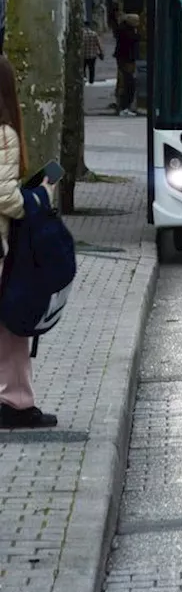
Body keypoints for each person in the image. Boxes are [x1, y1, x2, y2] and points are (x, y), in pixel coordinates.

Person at [0, 56, 59, 429]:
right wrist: (40, 198)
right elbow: (4, 196)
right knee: (13, 328)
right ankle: (15, 403)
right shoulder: (4, 133)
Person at [112, 13, 141, 116]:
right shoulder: (126, 32)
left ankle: (125, 106)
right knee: (128, 83)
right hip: (127, 59)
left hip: (127, 59)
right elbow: (134, 39)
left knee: (128, 83)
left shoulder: (124, 30)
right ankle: (124, 106)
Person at [82, 19, 104, 84]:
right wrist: (101, 52)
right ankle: (91, 81)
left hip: (84, 55)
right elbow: (98, 44)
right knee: (92, 68)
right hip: (92, 54)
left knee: (83, 68)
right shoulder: (94, 34)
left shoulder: (82, 34)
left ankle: (84, 78)